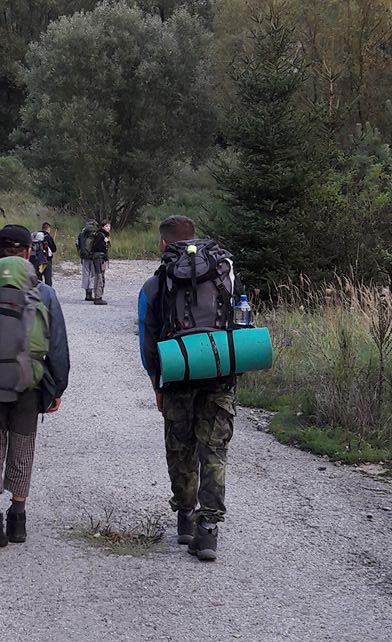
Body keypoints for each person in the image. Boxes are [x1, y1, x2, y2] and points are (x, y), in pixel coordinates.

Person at [0, 224, 70, 549]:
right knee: (22, 450)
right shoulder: (43, 292)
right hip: (28, 384)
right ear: (27, 253)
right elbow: (58, 346)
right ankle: (17, 517)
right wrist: (56, 388)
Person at [138, 215, 241, 561]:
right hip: (219, 375)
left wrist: (156, 381)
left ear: (164, 244)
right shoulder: (223, 271)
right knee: (213, 451)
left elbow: (148, 337)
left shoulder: (158, 282)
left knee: (180, 448)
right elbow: (241, 319)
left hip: (178, 375)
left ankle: (185, 516)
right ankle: (209, 530)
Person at [76, 218, 99, 300]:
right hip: (93, 256)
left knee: (85, 274)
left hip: (84, 256)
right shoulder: (95, 232)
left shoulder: (82, 232)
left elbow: (78, 244)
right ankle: (90, 292)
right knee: (93, 274)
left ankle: (87, 293)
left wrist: (80, 254)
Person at [91, 220, 111, 306]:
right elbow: (98, 247)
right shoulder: (100, 235)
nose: (108, 228)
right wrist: (105, 242)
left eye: (109, 226)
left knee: (99, 277)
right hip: (99, 258)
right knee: (99, 277)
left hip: (99, 258)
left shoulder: (101, 234)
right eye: (106, 226)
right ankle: (98, 298)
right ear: (103, 227)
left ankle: (98, 296)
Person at [41, 222, 57, 287]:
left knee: (39, 276)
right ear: (48, 229)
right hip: (46, 261)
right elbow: (54, 249)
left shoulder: (38, 236)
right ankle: (47, 293)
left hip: (39, 262)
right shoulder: (48, 237)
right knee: (48, 279)